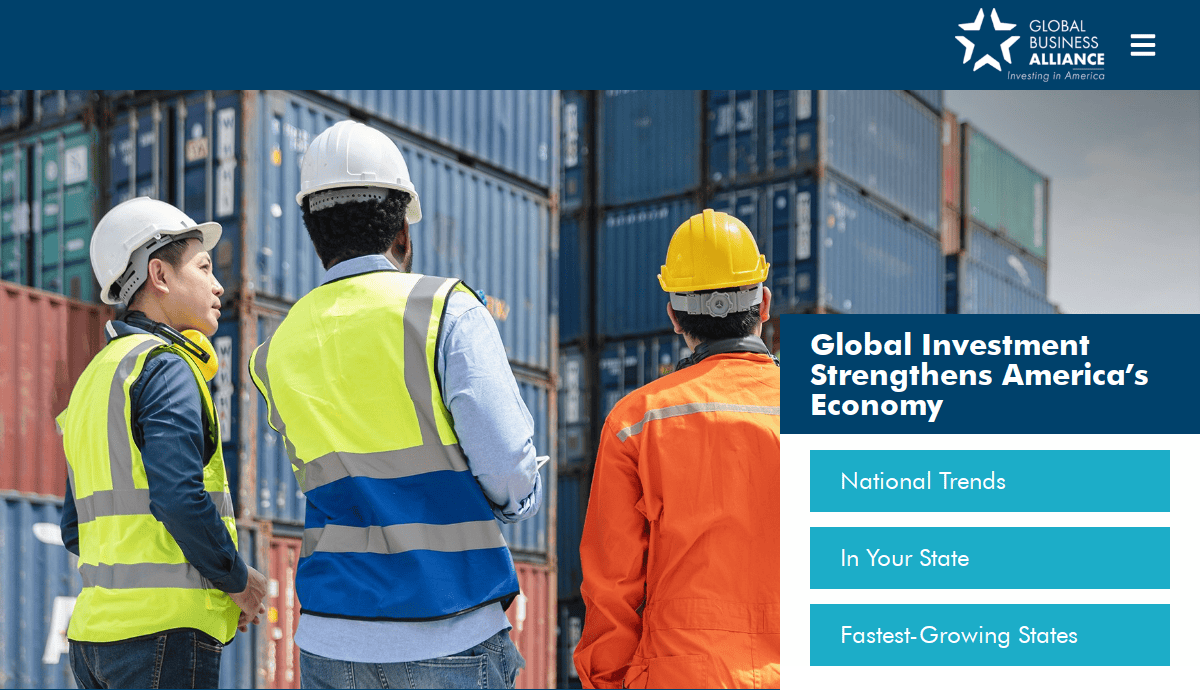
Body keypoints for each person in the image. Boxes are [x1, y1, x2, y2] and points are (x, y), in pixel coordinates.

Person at [248, 120, 542, 689]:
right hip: (449, 629)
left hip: (330, 640)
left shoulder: (274, 351)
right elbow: (508, 467)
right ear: (402, 233)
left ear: (314, 235)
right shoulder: (444, 310)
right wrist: (515, 502)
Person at [57, 197, 268, 689]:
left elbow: (76, 528)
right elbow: (177, 498)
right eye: (204, 267)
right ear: (159, 274)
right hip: (163, 639)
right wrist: (237, 581)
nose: (219, 285)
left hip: (93, 641)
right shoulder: (166, 366)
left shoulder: (94, 378)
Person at [573, 209, 781, 688]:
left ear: (673, 315)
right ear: (764, 303)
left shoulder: (635, 422)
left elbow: (612, 586)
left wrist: (608, 682)